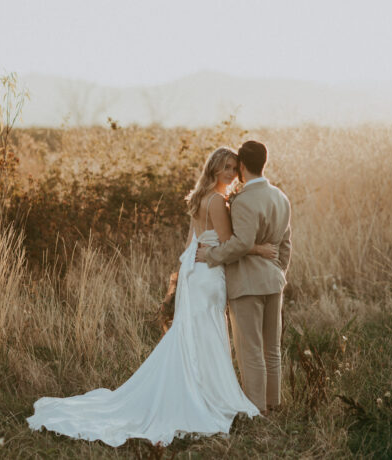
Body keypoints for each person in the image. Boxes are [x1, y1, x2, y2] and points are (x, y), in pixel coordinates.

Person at [27, 147, 276, 447]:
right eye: (225, 167)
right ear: (213, 169)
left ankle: (196, 390)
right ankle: (205, 397)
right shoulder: (217, 202)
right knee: (207, 334)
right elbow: (228, 244)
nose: (231, 173)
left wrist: (181, 277)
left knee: (193, 336)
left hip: (192, 274)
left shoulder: (199, 199)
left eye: (234, 168)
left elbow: (190, 243)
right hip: (208, 275)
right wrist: (260, 249)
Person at [196, 140, 292, 416]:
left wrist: (212, 256)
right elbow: (286, 243)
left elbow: (240, 243)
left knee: (250, 351)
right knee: (271, 348)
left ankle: (256, 409)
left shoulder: (242, 200)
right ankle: (273, 404)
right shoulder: (280, 197)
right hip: (274, 282)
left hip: (246, 284)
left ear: (242, 168)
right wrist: (278, 271)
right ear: (264, 162)